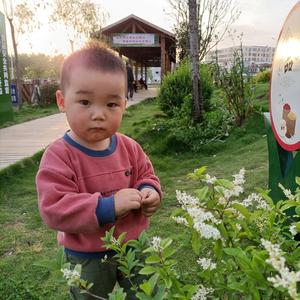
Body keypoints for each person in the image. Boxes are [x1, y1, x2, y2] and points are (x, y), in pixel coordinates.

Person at [36, 42, 162, 300]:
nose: (98, 114)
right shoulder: (59, 155)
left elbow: (146, 175)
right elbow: (54, 208)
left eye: (111, 105)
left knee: (147, 295)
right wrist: (108, 206)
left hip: (134, 245)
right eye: (85, 101)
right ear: (62, 101)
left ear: (124, 105)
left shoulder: (130, 147)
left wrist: (148, 191)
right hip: (87, 255)